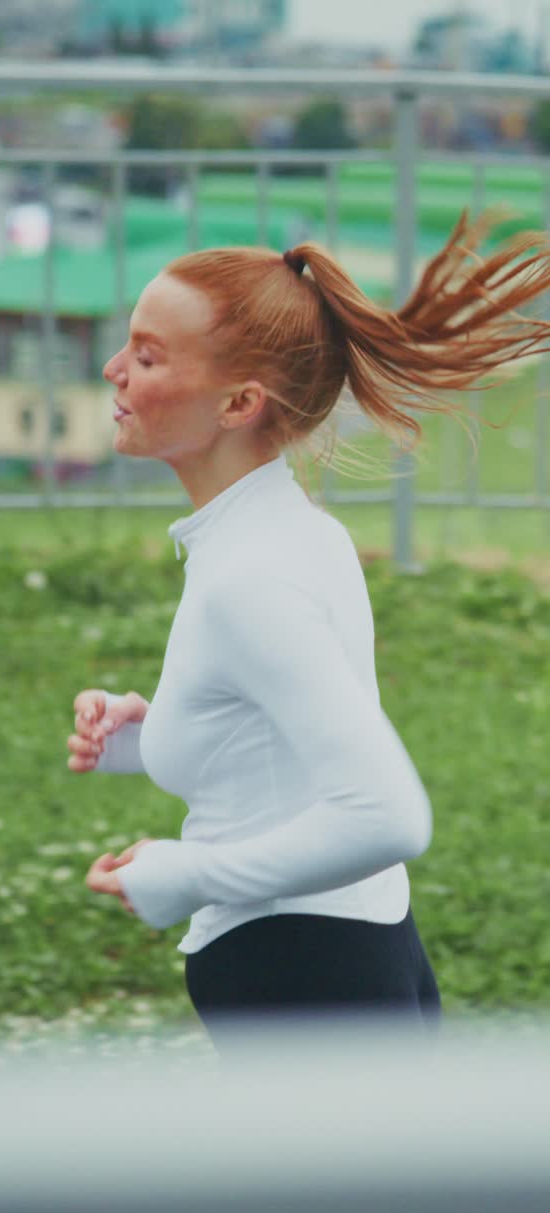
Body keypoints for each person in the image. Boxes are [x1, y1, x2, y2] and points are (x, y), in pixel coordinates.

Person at [67, 211, 550, 1046]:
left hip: (308, 986)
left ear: (240, 403)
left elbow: (389, 814)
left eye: (146, 357)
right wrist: (156, 733)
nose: (114, 370)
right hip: (343, 967)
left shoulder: (248, 579)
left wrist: (191, 874)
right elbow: (286, 739)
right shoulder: (289, 532)